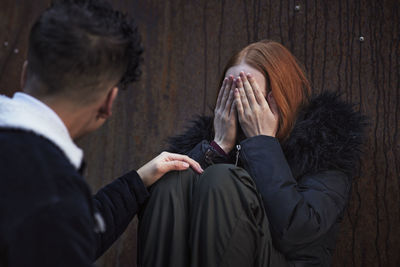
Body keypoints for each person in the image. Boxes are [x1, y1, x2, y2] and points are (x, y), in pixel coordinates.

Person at [0, 1, 203, 266]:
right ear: (109, 101)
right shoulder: (54, 196)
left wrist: (138, 182)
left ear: (25, 72)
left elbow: (76, 229)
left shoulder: (50, 196)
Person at [138, 40, 366, 267]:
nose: (241, 105)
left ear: (281, 98)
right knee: (172, 181)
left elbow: (297, 235)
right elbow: (161, 212)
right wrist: (216, 149)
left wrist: (262, 143)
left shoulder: (324, 144)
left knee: (222, 179)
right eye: (231, 93)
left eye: (251, 95)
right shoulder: (210, 139)